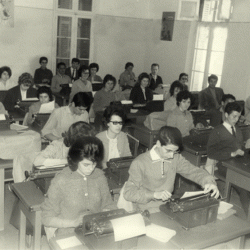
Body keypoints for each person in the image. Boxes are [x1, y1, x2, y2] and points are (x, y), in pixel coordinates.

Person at [123, 126, 219, 211]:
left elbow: (193, 171)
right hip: (146, 209)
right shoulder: (139, 163)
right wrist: (154, 194)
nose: (171, 155)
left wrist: (208, 181)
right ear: (158, 144)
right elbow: (129, 193)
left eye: (175, 151)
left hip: (168, 205)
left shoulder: (176, 157)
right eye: (168, 151)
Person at [41, 137, 116, 238]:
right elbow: (46, 218)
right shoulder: (61, 180)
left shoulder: (99, 176)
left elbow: (109, 205)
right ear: (75, 160)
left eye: (94, 164)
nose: (91, 168)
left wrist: (106, 213)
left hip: (95, 232)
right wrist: (73, 223)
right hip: (68, 233)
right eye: (86, 165)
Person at [207, 102, 250, 215]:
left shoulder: (237, 129)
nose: (236, 119)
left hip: (238, 164)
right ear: (226, 114)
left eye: (238, 116)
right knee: (244, 187)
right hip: (224, 165)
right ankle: (248, 217)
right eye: (234, 116)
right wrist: (231, 154)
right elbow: (211, 153)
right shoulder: (217, 131)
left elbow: (241, 146)